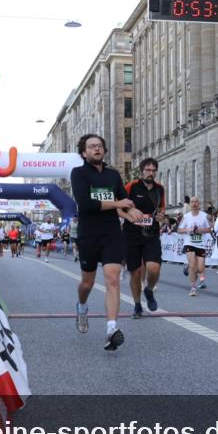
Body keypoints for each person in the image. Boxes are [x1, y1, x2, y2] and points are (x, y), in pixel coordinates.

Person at [70, 134, 143, 347]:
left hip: (111, 233)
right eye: (92, 146)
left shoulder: (113, 175)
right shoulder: (79, 173)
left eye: (100, 146)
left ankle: (112, 328)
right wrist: (119, 203)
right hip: (89, 234)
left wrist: (132, 211)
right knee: (87, 282)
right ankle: (82, 307)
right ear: (84, 152)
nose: (97, 149)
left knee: (112, 277)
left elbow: (124, 200)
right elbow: (86, 204)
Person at [124, 158, 165, 318]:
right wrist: (130, 214)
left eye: (154, 170)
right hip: (132, 234)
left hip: (151, 233)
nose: (151, 173)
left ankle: (148, 290)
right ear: (142, 171)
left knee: (154, 268)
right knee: (135, 272)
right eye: (148, 170)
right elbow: (120, 206)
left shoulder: (160, 189)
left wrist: (161, 217)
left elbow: (161, 210)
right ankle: (137, 305)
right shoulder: (131, 186)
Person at [178, 196, 212, 297]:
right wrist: (189, 230)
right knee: (193, 266)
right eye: (192, 202)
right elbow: (179, 230)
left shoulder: (204, 216)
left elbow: (209, 229)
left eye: (196, 202)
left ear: (199, 204)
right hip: (189, 243)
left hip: (201, 244)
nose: (194, 204)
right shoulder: (186, 216)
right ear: (190, 204)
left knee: (200, 269)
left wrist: (199, 230)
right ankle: (193, 288)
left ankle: (187, 266)